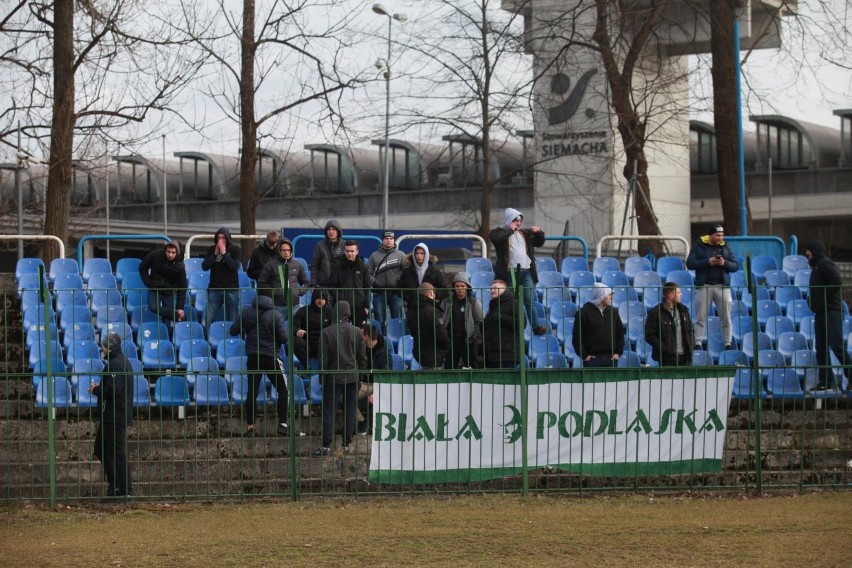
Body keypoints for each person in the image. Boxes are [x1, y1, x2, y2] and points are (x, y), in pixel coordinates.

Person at [230, 295, 295, 437]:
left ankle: (250, 428)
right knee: (283, 389)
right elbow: (284, 338)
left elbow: (232, 330)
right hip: (270, 357)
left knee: (252, 391)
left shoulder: (246, 313)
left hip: (253, 357)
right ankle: (283, 425)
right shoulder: (275, 315)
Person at [314, 301, 367, 456]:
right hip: (352, 377)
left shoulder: (326, 332)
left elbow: (322, 360)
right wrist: (360, 376)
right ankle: (346, 444)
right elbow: (362, 358)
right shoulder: (357, 331)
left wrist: (323, 378)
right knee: (350, 410)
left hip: (333, 377)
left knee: (329, 411)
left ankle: (326, 445)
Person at [88, 332, 133, 501]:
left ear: (108, 347)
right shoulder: (120, 362)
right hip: (113, 415)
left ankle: (123, 490)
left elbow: (114, 391)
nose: (101, 347)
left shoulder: (115, 364)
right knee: (103, 449)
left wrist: (96, 390)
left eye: (103, 345)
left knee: (116, 452)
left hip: (115, 415)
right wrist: (102, 386)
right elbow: (114, 386)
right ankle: (116, 487)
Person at [490, 207, 547, 335]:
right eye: (515, 220)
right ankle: (516, 324)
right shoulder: (500, 232)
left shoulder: (524, 234)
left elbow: (539, 242)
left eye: (520, 220)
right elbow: (496, 239)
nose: (518, 223)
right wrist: (510, 230)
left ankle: (536, 326)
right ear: (509, 220)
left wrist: (539, 233)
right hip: (510, 272)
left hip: (526, 271)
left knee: (530, 300)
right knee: (512, 300)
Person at [805, 239, 850, 391]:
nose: (807, 253)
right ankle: (826, 382)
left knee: (836, 346)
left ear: (815, 251)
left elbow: (836, 281)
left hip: (831, 312)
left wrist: (821, 298)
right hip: (821, 313)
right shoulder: (817, 266)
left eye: (809, 250)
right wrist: (812, 300)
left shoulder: (825, 264)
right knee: (821, 349)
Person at [686, 223, 739, 350]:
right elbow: (690, 263)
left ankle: (728, 343)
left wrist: (724, 263)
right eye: (717, 235)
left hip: (722, 286)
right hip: (704, 286)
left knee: (726, 317)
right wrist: (707, 262)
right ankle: (697, 343)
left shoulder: (725, 247)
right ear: (710, 235)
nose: (720, 238)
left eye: (721, 235)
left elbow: (735, 265)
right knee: (700, 317)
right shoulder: (698, 246)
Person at [572, 283, 624, 367]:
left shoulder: (613, 312)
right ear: (601, 295)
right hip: (592, 359)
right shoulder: (584, 312)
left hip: (611, 358)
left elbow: (620, 333)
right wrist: (584, 356)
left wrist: (618, 353)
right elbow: (577, 336)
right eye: (608, 295)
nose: (611, 297)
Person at [439, 272, 483, 369]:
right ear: (453, 287)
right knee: (450, 370)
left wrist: (473, 339)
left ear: (467, 287)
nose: (460, 289)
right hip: (451, 342)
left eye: (462, 286)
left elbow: (479, 323)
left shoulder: (474, 302)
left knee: (472, 369)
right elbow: (441, 321)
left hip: (468, 342)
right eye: (457, 286)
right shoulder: (446, 302)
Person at [201, 227, 242, 328]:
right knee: (208, 319)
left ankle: (233, 342)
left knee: (233, 320)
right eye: (218, 237)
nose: (220, 240)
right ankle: (208, 340)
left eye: (223, 237)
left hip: (231, 289)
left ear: (227, 238)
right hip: (215, 289)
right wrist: (214, 254)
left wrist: (224, 253)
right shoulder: (212, 250)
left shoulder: (235, 249)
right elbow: (204, 266)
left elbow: (234, 266)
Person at [645, 282, 694, 366]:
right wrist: (665, 348)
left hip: (685, 358)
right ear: (671, 296)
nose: (681, 294)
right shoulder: (656, 312)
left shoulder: (684, 311)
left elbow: (691, 331)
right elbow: (649, 335)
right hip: (666, 359)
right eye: (678, 293)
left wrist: (690, 346)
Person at [138, 239, 186, 324]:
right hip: (154, 287)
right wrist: (148, 282)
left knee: (166, 320)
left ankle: (167, 335)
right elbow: (142, 267)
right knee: (153, 307)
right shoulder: (156, 254)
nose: (170, 255)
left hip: (169, 291)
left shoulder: (180, 266)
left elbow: (182, 287)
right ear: (165, 250)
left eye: (173, 252)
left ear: (177, 252)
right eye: (168, 251)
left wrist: (180, 307)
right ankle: (175, 315)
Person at [257, 237, 309, 314]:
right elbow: (261, 283)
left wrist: (299, 291)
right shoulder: (270, 265)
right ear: (279, 251)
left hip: (294, 304)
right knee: (277, 325)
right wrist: (273, 292)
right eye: (284, 250)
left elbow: (306, 283)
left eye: (288, 250)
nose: (286, 252)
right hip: (276, 305)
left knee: (294, 325)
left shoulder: (297, 265)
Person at [482, 279, 525, 369]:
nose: (492, 291)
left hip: (506, 355)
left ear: (504, 290)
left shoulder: (512, 303)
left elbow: (521, 323)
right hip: (492, 354)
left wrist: (502, 317)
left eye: (495, 288)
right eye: (491, 289)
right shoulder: (493, 306)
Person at [406, 282, 449, 370]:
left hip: (420, 352)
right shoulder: (432, 312)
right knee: (435, 382)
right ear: (430, 293)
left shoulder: (411, 311)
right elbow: (441, 333)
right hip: (434, 354)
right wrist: (447, 344)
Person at [357, 322, 391, 435]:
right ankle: (362, 421)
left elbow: (386, 378)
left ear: (366, 337)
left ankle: (368, 426)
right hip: (363, 383)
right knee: (345, 395)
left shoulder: (383, 353)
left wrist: (377, 392)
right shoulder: (362, 348)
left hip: (376, 385)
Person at [330, 240, 372, 327]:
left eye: (352, 251)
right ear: (344, 251)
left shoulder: (363, 267)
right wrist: (340, 297)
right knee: (340, 334)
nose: (350, 254)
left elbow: (367, 286)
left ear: (357, 252)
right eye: (347, 251)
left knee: (360, 334)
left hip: (359, 307)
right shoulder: (337, 266)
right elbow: (332, 285)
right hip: (342, 307)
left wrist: (367, 306)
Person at [368, 230, 405, 327]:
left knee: (397, 321)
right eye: (386, 238)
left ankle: (397, 341)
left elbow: (407, 272)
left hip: (396, 293)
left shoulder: (401, 255)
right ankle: (380, 340)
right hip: (379, 292)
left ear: (394, 240)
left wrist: (400, 283)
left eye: (391, 239)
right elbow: (368, 273)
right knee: (379, 321)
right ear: (382, 240)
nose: (388, 241)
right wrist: (375, 283)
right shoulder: (374, 255)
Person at [291, 288, 333, 369]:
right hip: (308, 344)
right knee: (295, 341)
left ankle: (325, 371)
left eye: (323, 299)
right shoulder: (304, 311)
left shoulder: (329, 312)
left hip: (323, 345)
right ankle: (307, 367)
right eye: (318, 298)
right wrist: (297, 331)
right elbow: (292, 326)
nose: (320, 301)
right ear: (313, 299)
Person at [310, 219, 344, 287]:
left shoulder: (344, 245)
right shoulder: (320, 245)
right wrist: (313, 284)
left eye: (334, 229)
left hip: (340, 286)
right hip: (323, 286)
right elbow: (314, 266)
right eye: (329, 229)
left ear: (338, 231)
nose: (331, 232)